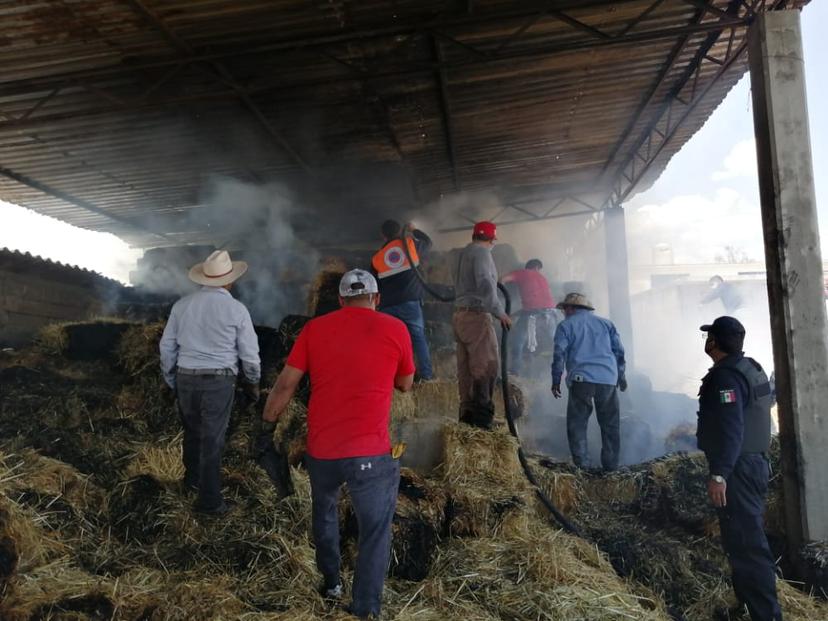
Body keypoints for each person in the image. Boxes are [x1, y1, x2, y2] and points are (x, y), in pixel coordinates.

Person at [259, 269, 415, 620]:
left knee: (325, 512)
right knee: (374, 529)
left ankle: (331, 583)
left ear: (341, 300)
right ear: (376, 298)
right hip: (371, 452)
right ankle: (365, 608)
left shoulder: (314, 329)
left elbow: (285, 386)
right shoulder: (396, 329)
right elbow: (406, 384)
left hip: (323, 450)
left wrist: (265, 427)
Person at [159, 249, 261, 515]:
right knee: (212, 440)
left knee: (192, 433)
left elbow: (167, 346)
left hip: (186, 378)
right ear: (229, 281)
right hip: (218, 381)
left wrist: (171, 379)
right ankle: (210, 502)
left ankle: (191, 483)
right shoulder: (237, 309)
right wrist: (252, 382)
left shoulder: (182, 306)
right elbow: (249, 354)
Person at [697, 316, 781, 621]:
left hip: (738, 470)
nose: (706, 342)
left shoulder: (725, 378)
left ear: (715, 342)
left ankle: (766, 615)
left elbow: (732, 428)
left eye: (709, 337)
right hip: (753, 463)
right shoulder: (751, 368)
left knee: (748, 546)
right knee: (739, 541)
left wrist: (719, 474)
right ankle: (747, 607)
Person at [551, 293, 626, 471]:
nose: (564, 313)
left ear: (570, 308)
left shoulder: (565, 326)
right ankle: (611, 467)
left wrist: (556, 380)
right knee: (610, 425)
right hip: (608, 379)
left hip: (581, 380)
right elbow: (619, 353)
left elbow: (559, 354)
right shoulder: (607, 324)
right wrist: (621, 376)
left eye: (565, 309)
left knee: (577, 424)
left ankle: (583, 467)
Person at [453, 220, 511, 429]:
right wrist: (499, 312)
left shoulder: (465, 252)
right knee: (486, 367)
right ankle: (482, 421)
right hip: (476, 315)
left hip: (461, 316)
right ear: (491, 238)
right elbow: (486, 282)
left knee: (466, 368)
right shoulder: (482, 253)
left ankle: (467, 419)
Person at [371, 219, 434, 380]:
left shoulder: (377, 258)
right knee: (418, 338)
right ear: (400, 231)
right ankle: (426, 377)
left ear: (382, 235)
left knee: (388, 342)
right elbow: (428, 242)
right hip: (410, 303)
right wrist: (414, 230)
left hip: (387, 306)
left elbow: (373, 284)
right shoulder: (411, 244)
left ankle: (387, 376)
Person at [502, 258, 558, 374]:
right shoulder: (543, 278)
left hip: (533, 314)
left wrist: (501, 291)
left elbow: (502, 279)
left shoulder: (521, 273)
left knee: (518, 340)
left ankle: (514, 370)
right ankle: (561, 370)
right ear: (537, 267)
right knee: (555, 343)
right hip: (551, 313)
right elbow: (538, 304)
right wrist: (515, 314)